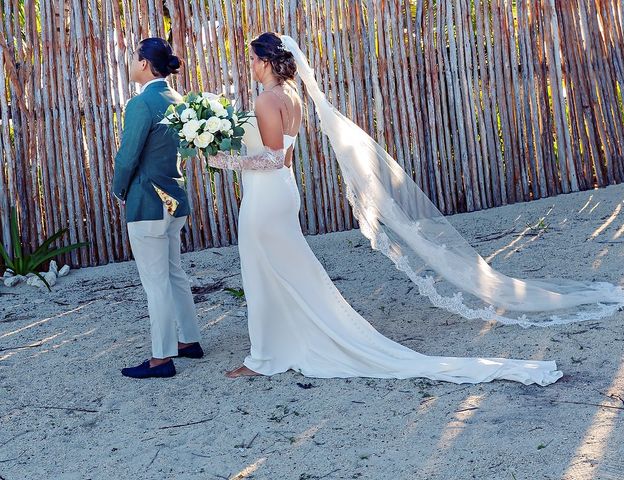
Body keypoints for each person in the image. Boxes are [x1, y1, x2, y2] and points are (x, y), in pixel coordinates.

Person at [205, 32, 564, 386]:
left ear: (266, 61)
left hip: (265, 198)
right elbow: (287, 158)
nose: (250, 66)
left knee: (261, 274)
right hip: (283, 194)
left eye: (253, 59)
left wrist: (225, 161)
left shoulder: (267, 100)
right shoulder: (292, 96)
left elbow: (273, 160)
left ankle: (264, 357)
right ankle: (280, 346)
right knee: (286, 273)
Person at [112, 38, 203, 379]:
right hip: (175, 200)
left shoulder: (141, 104)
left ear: (146, 64)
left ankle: (161, 358)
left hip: (148, 202)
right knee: (174, 272)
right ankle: (189, 340)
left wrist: (119, 190)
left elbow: (127, 157)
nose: (130, 62)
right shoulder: (177, 100)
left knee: (156, 282)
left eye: (134, 57)